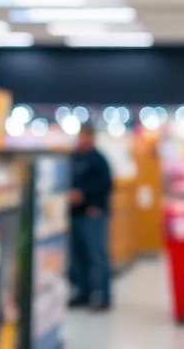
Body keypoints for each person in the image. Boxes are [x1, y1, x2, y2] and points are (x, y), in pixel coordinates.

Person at [69, 122, 113, 311]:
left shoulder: (99, 159)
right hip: (74, 215)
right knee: (77, 258)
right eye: (81, 136)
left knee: (97, 256)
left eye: (86, 136)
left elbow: (106, 185)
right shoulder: (73, 158)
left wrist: (87, 198)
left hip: (93, 213)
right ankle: (83, 293)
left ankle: (103, 296)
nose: (82, 140)